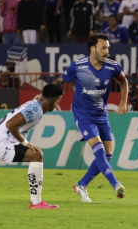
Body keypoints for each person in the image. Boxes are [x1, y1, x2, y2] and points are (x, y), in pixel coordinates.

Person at [52, 33, 128, 202]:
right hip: (83, 114)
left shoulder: (112, 67)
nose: (106, 51)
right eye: (103, 48)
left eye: (108, 48)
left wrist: (123, 102)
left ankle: (82, 184)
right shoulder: (78, 66)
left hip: (101, 114)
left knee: (108, 156)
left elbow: (123, 81)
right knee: (99, 150)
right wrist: (46, 93)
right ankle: (115, 184)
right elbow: (61, 80)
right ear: (93, 49)